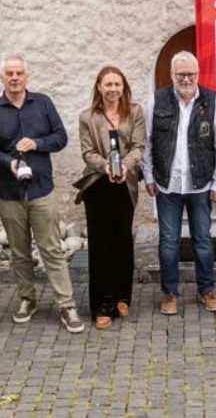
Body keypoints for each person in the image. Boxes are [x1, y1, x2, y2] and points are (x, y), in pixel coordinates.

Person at [0, 55, 84, 333]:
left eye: (19, 73)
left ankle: (67, 304)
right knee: (19, 251)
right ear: (1, 78)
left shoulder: (43, 103)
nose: (15, 78)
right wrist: (8, 162)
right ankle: (27, 299)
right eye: (9, 74)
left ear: (27, 77)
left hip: (41, 190)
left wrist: (37, 143)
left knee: (51, 248)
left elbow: (61, 137)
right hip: (8, 193)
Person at [142, 51, 216, 315]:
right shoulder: (156, 101)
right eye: (181, 74)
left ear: (198, 73)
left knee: (202, 239)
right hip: (167, 185)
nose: (186, 78)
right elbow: (146, 141)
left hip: (200, 184)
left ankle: (207, 290)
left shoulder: (212, 101)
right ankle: (169, 293)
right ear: (172, 75)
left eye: (191, 73)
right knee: (168, 241)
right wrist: (148, 176)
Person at [73, 66, 146, 330]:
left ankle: (122, 296)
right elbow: (87, 151)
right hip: (99, 184)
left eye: (118, 85)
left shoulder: (135, 112)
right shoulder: (87, 117)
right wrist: (106, 167)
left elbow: (139, 146)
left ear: (123, 88)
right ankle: (102, 305)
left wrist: (124, 166)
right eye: (108, 85)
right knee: (101, 245)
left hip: (124, 183)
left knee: (123, 240)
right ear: (99, 87)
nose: (113, 89)